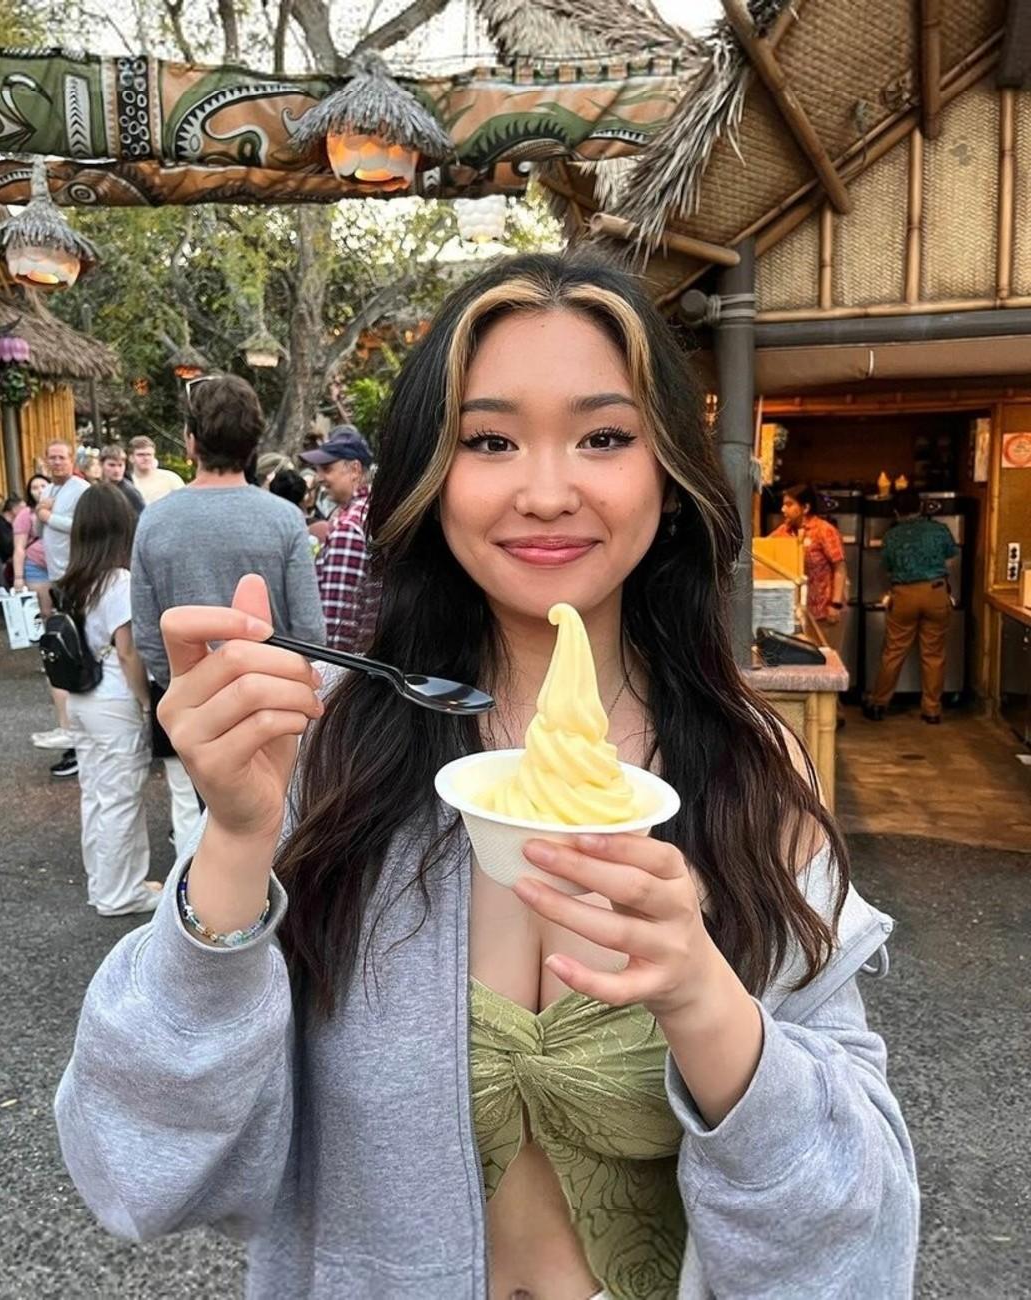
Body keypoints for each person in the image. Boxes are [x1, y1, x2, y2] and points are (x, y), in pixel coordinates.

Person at [58, 256, 917, 1299]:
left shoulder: (751, 769)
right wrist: (236, 843)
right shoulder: (327, 752)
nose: (546, 492)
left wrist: (704, 999)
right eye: (490, 441)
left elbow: (858, 1245)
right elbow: (136, 1175)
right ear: (432, 477)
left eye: (605, 437)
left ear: (670, 477)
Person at [130, 373, 324, 855]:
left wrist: (182, 682)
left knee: (206, 818)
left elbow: (148, 632)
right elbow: (309, 629)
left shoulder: (154, 519)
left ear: (190, 441)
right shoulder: (283, 518)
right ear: (254, 443)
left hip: (197, 704)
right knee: (282, 820)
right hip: (273, 700)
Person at [55, 484, 161, 916]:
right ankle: (123, 893)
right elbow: (128, 651)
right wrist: (145, 702)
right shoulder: (118, 581)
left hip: (81, 698)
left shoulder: (73, 580)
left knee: (96, 794)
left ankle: (104, 884)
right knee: (121, 798)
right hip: (115, 699)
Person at [865, 486, 959, 724]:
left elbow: (887, 566)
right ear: (921, 507)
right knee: (933, 654)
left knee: (894, 651)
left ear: (896, 511)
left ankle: (878, 704)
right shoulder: (939, 529)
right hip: (935, 591)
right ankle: (932, 710)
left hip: (904, 595)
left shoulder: (892, 536)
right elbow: (951, 554)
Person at [34, 441, 91, 776]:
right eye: (51, 458)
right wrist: (41, 514)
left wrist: (48, 515)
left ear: (72, 460)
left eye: (61, 457)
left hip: (76, 575)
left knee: (76, 650)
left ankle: (79, 738)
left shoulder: (80, 489)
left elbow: (81, 527)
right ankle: (73, 733)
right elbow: (38, 530)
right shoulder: (49, 489)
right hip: (55, 576)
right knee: (63, 647)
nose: (56, 462)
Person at [300, 425, 374, 651]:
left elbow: (338, 619)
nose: (320, 478)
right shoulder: (372, 511)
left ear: (354, 469)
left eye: (327, 468)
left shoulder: (348, 527)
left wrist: (330, 663)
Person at [768, 483, 848, 625]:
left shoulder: (824, 531)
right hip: (794, 614)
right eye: (783, 505)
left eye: (789, 505)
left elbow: (839, 568)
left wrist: (835, 604)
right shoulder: (783, 531)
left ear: (805, 508)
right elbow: (762, 549)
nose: (783, 509)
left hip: (824, 612)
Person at [13, 474, 53, 614]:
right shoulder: (25, 514)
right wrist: (18, 577)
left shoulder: (63, 509)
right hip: (37, 566)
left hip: (63, 565)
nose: (40, 490)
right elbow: (19, 547)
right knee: (44, 612)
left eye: (43, 486)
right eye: (34, 488)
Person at [127, 435, 185, 506]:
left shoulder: (171, 479)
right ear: (131, 458)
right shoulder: (127, 483)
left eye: (149, 454)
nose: (146, 458)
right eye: (141, 455)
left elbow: (185, 504)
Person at [100, 444, 146, 516]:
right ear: (101, 464)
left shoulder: (129, 491)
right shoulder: (97, 487)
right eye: (111, 465)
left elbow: (144, 515)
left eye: (120, 465)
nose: (117, 470)